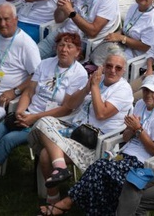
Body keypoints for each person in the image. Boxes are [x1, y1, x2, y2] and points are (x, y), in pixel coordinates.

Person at [36, 75, 154, 216]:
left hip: (142, 163)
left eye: (153, 92)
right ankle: (81, 208)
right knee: (100, 170)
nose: (148, 95)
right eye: (145, 90)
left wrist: (139, 129)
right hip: (125, 153)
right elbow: (126, 137)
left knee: (99, 169)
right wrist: (130, 129)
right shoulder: (140, 105)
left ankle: (64, 204)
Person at [32, 53, 133, 203]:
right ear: (103, 67)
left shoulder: (123, 90)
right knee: (42, 122)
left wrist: (94, 88)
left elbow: (101, 113)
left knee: (46, 154)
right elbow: (70, 105)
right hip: (75, 129)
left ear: (123, 71)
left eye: (118, 68)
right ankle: (60, 169)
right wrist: (87, 88)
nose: (112, 70)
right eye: (109, 66)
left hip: (96, 143)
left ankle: (52, 198)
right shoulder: (96, 80)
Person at [0, 32, 87, 177]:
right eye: (61, 45)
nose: (64, 49)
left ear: (77, 51)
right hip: (27, 114)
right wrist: (20, 112)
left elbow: (66, 109)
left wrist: (33, 118)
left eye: (69, 46)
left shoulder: (79, 74)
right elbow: (29, 92)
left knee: (8, 140)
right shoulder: (46, 64)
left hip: (47, 122)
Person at [0, 3, 40, 128]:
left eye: (6, 19)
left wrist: (15, 91)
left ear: (16, 20)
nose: (2, 23)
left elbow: (37, 75)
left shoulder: (26, 44)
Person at [92, 0, 154, 64]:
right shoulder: (134, 7)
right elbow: (127, 28)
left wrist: (121, 38)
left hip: (137, 54)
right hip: (124, 45)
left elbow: (146, 47)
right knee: (101, 48)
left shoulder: (153, 18)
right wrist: (117, 34)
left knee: (109, 59)